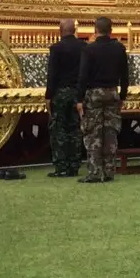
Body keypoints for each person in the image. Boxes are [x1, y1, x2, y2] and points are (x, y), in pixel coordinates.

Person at [76, 16, 130, 183]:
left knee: (93, 132)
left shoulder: (89, 49)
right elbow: (125, 75)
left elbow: (83, 76)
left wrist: (79, 99)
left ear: (95, 30)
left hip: (94, 93)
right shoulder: (119, 49)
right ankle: (109, 171)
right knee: (110, 131)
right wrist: (122, 95)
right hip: (112, 92)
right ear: (111, 31)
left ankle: (94, 172)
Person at [44, 19, 86, 177]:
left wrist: (48, 96)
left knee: (59, 130)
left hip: (60, 93)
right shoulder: (83, 47)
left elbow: (52, 74)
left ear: (60, 31)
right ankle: (74, 165)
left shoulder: (56, 48)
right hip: (77, 93)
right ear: (74, 30)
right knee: (75, 129)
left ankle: (61, 166)